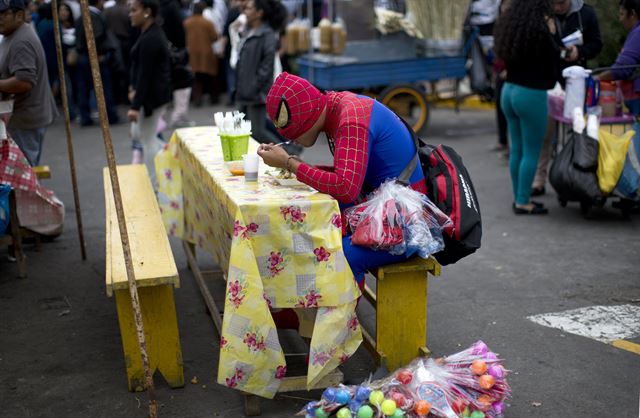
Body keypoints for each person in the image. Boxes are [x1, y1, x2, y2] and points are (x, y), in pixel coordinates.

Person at [257, 72, 427, 288]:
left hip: (407, 222)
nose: (290, 140)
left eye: (292, 134)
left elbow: (346, 188)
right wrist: (295, 167)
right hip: (381, 205)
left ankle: (339, 320)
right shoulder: (336, 105)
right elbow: (349, 176)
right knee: (304, 222)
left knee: (340, 254)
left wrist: (291, 164)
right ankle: (298, 303)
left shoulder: (351, 119)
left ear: (306, 117)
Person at [530, 0, 603, 196]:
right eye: (554, 3)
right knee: (545, 133)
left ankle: (573, 176)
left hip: (576, 83)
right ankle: (539, 179)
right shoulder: (542, 13)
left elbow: (597, 43)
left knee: (577, 131)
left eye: (562, 2)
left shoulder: (585, 13)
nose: (558, 7)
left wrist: (580, 51)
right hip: (548, 82)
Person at [494, 0, 559, 214]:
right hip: (531, 95)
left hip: (509, 91)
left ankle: (519, 197)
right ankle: (523, 202)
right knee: (532, 151)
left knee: (517, 150)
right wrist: (552, 33)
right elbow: (553, 67)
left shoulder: (512, 27)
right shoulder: (540, 32)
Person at [0, 0, 57, 166]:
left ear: (19, 15)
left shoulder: (21, 41)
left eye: (3, 14)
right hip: (22, 118)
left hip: (25, 120)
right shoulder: (12, 35)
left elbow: (24, 82)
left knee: (22, 175)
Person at [127, 0, 172, 177]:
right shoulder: (149, 33)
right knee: (144, 137)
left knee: (148, 141)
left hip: (152, 98)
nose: (130, 14)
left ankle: (155, 182)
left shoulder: (151, 37)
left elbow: (145, 75)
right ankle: (163, 172)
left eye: (134, 10)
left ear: (147, 12)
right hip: (152, 96)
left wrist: (135, 106)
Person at [235, 0, 288, 147]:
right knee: (239, 130)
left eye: (250, 8)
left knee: (257, 131)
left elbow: (266, 67)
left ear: (259, 13)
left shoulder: (267, 34)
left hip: (255, 93)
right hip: (243, 91)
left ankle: (289, 155)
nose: (246, 10)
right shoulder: (248, 31)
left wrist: (254, 87)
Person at [75, 0, 120, 126]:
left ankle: (86, 116)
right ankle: (109, 115)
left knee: (84, 88)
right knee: (102, 88)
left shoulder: (83, 16)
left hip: (84, 56)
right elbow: (96, 36)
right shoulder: (92, 16)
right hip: (93, 56)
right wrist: (99, 53)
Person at [596, 0, 640, 116]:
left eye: (622, 14)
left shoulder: (638, 33)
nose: (620, 19)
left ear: (632, 14)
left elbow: (622, 69)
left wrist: (597, 78)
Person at [184, 1, 218, 107]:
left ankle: (197, 99)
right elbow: (215, 37)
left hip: (192, 54)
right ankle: (213, 98)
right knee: (211, 77)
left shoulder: (186, 23)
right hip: (206, 53)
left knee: (196, 79)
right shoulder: (207, 23)